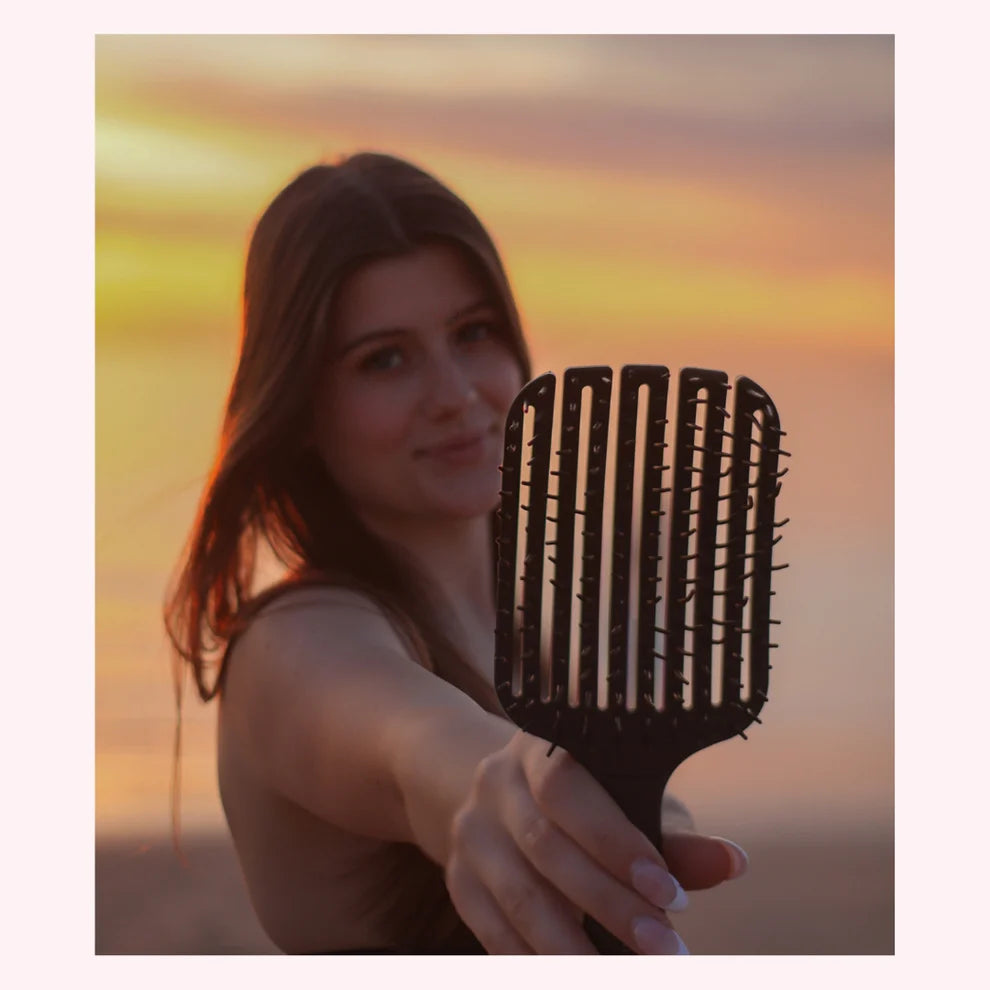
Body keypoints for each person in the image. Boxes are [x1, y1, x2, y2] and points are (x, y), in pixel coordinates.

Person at [164, 152, 749, 954]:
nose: (456, 394)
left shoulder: (540, 625)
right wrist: (499, 788)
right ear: (300, 406)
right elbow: (419, 748)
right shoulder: (293, 646)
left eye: (473, 334)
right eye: (386, 359)